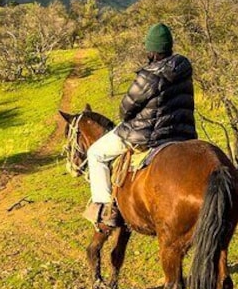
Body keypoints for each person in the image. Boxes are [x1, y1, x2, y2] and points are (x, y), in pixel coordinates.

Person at [83, 23, 197, 229]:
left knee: (95, 153)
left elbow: (125, 110)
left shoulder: (148, 76)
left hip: (148, 135)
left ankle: (106, 209)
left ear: (151, 50)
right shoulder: (183, 67)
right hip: (183, 133)